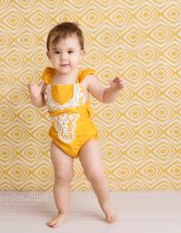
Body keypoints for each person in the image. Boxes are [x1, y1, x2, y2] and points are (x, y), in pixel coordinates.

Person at [27, 22, 125, 228]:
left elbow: (104, 96)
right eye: (57, 52)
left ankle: (105, 203)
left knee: (95, 173)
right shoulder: (49, 78)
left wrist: (114, 89)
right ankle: (62, 212)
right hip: (59, 139)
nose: (64, 57)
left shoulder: (85, 78)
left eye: (70, 51)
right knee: (62, 176)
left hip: (85, 138)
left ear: (81, 54)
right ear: (48, 55)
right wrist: (35, 96)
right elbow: (42, 103)